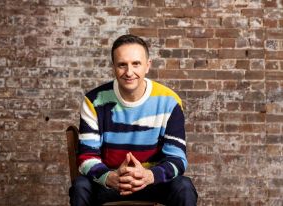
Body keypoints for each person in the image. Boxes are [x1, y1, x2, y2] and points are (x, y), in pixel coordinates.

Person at [69, 34, 198, 206]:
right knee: (80, 186)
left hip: (153, 181)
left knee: (184, 186)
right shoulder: (93, 100)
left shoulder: (169, 101)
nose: (129, 72)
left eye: (136, 64)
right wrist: (110, 177)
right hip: (110, 181)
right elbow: (87, 157)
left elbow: (177, 159)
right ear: (113, 67)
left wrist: (149, 175)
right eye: (122, 65)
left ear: (147, 65)